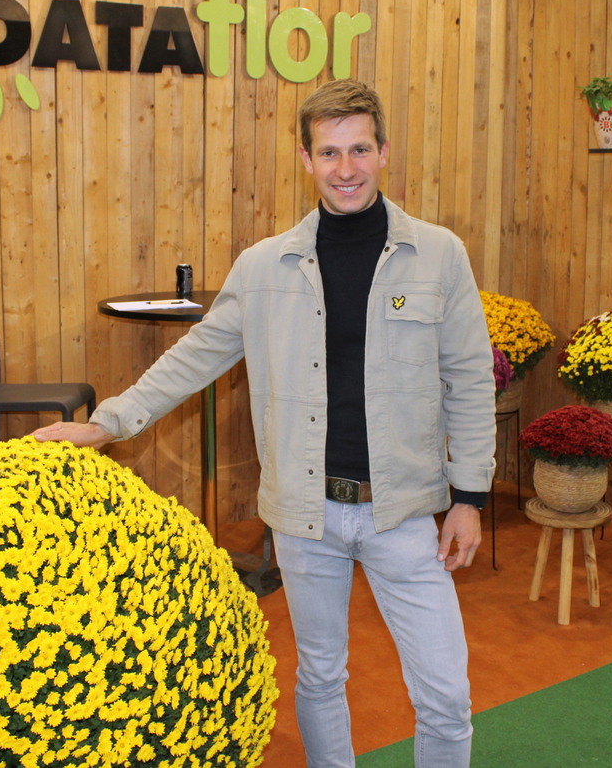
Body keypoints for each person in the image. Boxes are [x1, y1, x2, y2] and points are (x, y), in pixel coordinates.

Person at [34, 78, 495, 767]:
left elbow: (469, 378)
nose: (346, 168)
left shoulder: (439, 255)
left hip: (402, 512)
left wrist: (470, 497)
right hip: (304, 516)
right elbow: (195, 357)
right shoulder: (262, 266)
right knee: (320, 676)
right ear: (306, 159)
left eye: (359, 149)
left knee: (447, 697)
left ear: (384, 152)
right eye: (329, 152)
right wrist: (106, 426)